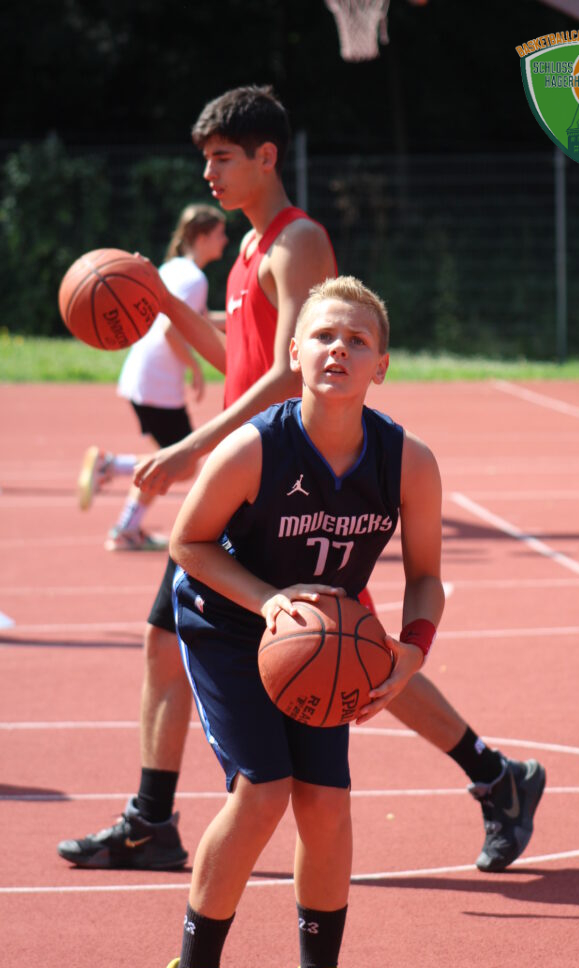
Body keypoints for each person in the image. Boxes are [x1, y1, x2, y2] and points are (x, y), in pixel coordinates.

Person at [57, 85, 545, 879]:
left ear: (265, 157)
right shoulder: (250, 250)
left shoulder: (297, 241)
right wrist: (165, 305)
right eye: (206, 160)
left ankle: (494, 775)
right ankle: (153, 818)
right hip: (255, 478)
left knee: (351, 654)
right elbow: (244, 361)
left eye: (222, 159)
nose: (209, 175)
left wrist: (190, 450)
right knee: (273, 647)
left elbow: (294, 377)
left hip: (296, 474)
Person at [149, 275, 443, 968]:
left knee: (326, 802)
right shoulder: (257, 447)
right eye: (322, 336)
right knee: (264, 790)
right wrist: (268, 601)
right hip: (227, 622)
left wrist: (412, 650)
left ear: (382, 366)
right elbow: (187, 542)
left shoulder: (407, 461)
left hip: (317, 641)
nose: (338, 349)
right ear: (294, 354)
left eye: (357, 340)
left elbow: (425, 577)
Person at [77, 203, 228, 551]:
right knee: (182, 464)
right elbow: (170, 330)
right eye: (219, 233)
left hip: (143, 376)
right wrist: (194, 367)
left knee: (170, 457)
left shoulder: (173, 268)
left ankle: (126, 528)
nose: (225, 240)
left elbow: (199, 318)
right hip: (158, 383)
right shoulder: (195, 279)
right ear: (202, 237)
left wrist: (243, 317)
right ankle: (110, 466)